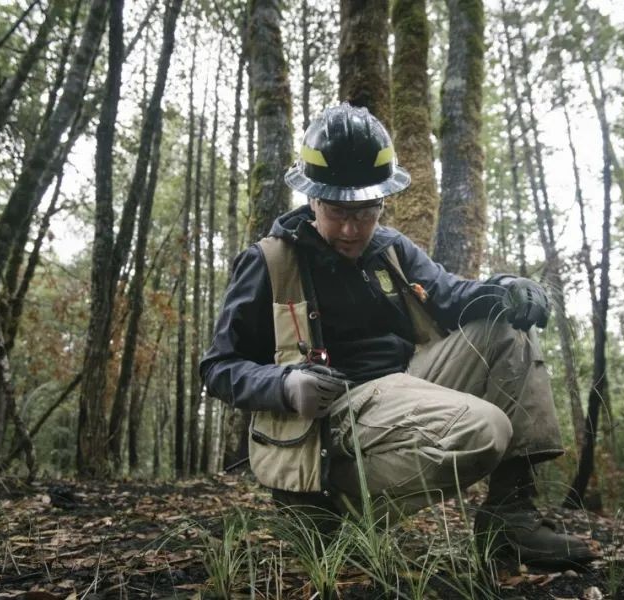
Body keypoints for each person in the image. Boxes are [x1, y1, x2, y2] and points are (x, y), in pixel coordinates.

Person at [200, 103, 596, 570]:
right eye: (337, 212)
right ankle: (333, 513)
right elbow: (219, 366)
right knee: (484, 429)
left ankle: (511, 518)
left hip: (404, 385)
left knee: (507, 324)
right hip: (330, 419)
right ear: (312, 199)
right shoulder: (270, 262)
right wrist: (283, 385)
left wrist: (506, 287)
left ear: (382, 204)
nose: (351, 230)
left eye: (366, 212)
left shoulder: (390, 249)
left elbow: (451, 296)